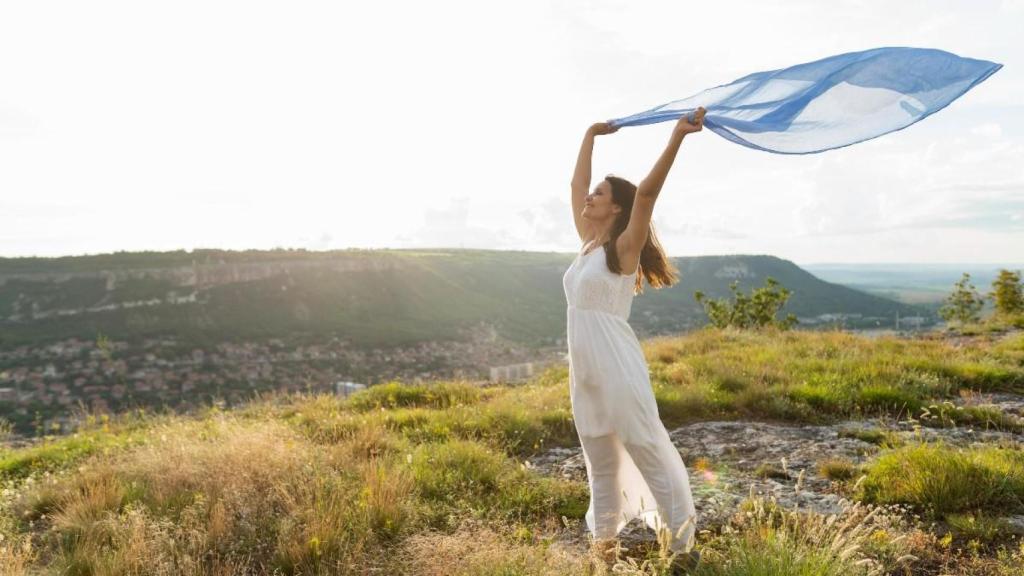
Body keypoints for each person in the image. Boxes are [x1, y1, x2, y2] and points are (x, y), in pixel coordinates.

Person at [563, 107, 706, 573]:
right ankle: (603, 555)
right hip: (585, 372)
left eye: (599, 194)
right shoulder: (588, 241)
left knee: (647, 451)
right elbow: (573, 187)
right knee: (600, 463)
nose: (589, 197)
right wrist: (589, 136)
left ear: (616, 206)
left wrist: (677, 137)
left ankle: (683, 552)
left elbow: (645, 194)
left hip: (617, 366)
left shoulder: (621, 250)